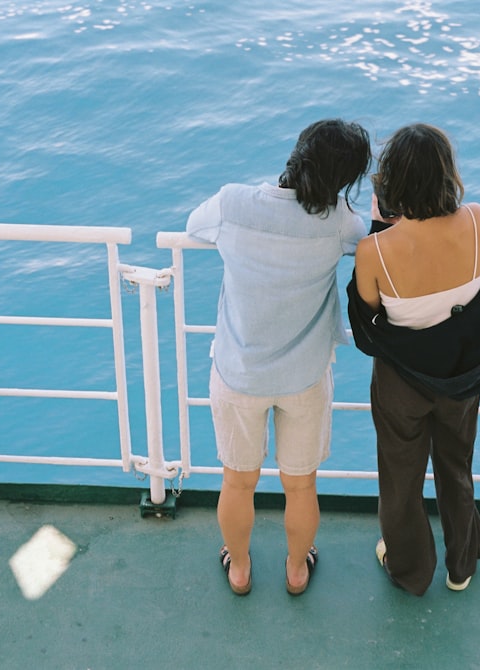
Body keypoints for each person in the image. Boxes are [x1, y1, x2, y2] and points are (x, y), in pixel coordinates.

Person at [186, 119, 371, 596]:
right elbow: (366, 238)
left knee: (238, 482)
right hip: (304, 377)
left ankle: (241, 568)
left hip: (238, 372)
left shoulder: (233, 203)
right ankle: (295, 570)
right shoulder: (340, 225)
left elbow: (193, 226)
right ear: (343, 179)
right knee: (301, 485)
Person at [347, 123, 480, 595]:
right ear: (448, 174)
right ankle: (461, 565)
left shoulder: (372, 251)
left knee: (401, 477)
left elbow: (369, 325)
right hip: (463, 377)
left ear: (391, 183)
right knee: (456, 464)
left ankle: (410, 569)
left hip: (402, 384)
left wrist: (383, 228)